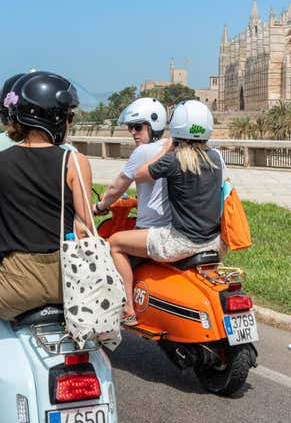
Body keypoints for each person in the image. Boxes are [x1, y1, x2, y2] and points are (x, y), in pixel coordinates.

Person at [109, 100, 224, 324]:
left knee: (115, 242)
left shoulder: (173, 159)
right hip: (214, 241)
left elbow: (140, 174)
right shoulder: (216, 157)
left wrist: (165, 149)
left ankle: (127, 309)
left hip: (181, 242)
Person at [0, 71, 95, 319]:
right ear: (54, 117)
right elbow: (86, 225)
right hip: (69, 282)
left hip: (14, 286)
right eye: (69, 117)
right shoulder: (75, 161)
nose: (69, 123)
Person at [93, 98, 171, 228]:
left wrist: (99, 207)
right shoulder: (170, 146)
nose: (133, 132)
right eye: (130, 127)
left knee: (113, 244)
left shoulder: (142, 151)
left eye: (138, 127)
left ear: (154, 125)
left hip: (149, 227)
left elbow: (117, 187)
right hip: (171, 226)